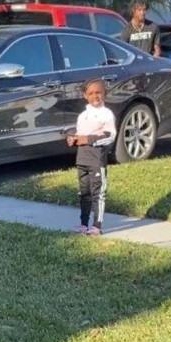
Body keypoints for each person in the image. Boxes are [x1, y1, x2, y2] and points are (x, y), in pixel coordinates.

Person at [66, 79, 116, 235]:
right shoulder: (83, 116)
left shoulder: (106, 114)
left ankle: (97, 225)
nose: (95, 96)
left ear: (104, 94)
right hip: (82, 160)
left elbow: (110, 136)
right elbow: (81, 136)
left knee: (98, 193)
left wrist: (88, 139)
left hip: (96, 160)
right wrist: (73, 139)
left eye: (98, 92)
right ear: (85, 96)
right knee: (84, 193)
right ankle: (83, 223)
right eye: (91, 93)